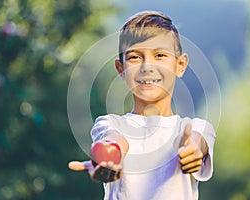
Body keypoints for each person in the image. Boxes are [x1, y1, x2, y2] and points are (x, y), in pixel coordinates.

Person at [68, 10, 216, 200]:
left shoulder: (197, 127)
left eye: (160, 55)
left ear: (180, 65)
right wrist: (109, 157)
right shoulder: (109, 124)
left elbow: (197, 143)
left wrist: (192, 151)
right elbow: (114, 141)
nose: (147, 66)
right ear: (121, 69)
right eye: (135, 57)